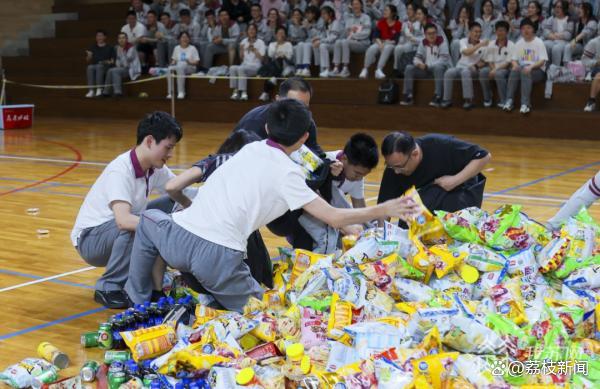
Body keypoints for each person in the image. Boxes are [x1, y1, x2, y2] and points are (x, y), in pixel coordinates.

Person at [124, 99, 418, 311]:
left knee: (150, 218)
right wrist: (385, 209)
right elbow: (333, 217)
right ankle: (215, 295)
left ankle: (139, 301)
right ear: (304, 137)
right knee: (270, 315)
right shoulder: (288, 174)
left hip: (178, 240)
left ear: (266, 127)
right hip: (216, 260)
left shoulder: (252, 147)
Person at [71, 111, 184, 309]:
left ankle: (154, 283)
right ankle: (108, 287)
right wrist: (165, 226)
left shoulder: (155, 168)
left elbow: (179, 188)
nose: (170, 154)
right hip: (91, 240)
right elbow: (123, 221)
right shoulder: (121, 169)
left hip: (114, 232)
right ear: (149, 141)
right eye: (168, 147)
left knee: (171, 203)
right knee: (141, 225)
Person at [146, 130, 274, 287]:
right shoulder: (250, 181)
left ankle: (156, 291)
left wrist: (188, 205)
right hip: (221, 274)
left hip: (196, 272)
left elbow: (173, 187)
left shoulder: (215, 164)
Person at [293, 133, 380, 253]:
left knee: (359, 225)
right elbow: (313, 201)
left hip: (328, 214)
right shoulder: (324, 163)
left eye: (363, 175)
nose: (359, 178)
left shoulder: (356, 174)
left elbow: (359, 208)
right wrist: (345, 226)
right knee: (328, 240)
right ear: (344, 158)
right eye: (357, 173)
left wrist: (372, 231)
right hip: (302, 214)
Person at [377, 131, 491, 217]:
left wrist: (454, 180)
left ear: (415, 154)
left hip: (461, 191)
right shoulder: (394, 167)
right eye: (390, 165)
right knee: (407, 219)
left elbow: (483, 156)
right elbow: (384, 207)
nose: (396, 171)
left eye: (399, 166)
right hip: (429, 195)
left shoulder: (440, 145)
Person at [233, 77, 322, 154]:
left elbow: (313, 149)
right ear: (278, 100)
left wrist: (329, 166)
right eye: (293, 104)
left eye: (304, 106)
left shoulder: (306, 119)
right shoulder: (254, 122)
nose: (299, 110)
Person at [503, 18, 548, 114]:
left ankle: (525, 104)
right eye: (523, 28)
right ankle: (509, 101)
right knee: (514, 70)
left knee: (525, 71)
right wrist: (515, 66)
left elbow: (542, 61)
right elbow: (514, 60)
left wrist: (531, 67)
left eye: (528, 28)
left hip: (537, 70)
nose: (526, 30)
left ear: (533, 29)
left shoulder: (539, 42)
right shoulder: (519, 43)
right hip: (523, 69)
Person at [400, 23, 450, 107]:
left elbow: (443, 60)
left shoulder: (442, 42)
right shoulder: (423, 43)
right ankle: (408, 96)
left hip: (440, 71)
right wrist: (419, 64)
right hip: (426, 70)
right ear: (425, 34)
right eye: (429, 34)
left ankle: (438, 96)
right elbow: (416, 58)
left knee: (438, 67)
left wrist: (427, 65)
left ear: (436, 33)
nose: (432, 35)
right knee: (409, 68)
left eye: (434, 33)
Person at [441, 22, 489, 109]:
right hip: (460, 67)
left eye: (479, 32)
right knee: (449, 72)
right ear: (470, 32)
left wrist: (476, 66)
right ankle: (446, 99)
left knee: (466, 72)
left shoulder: (484, 44)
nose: (478, 34)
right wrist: (480, 45)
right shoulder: (463, 41)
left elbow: (484, 61)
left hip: (474, 69)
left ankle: (468, 100)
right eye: (475, 31)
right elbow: (466, 52)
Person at [360, 4, 402, 79]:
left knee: (388, 47)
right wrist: (380, 44)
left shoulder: (398, 24)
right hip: (381, 42)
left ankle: (379, 69)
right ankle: (365, 68)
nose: (384, 12)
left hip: (391, 45)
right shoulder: (381, 22)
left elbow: (396, 40)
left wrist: (386, 42)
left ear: (392, 13)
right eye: (384, 10)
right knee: (372, 48)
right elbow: (375, 36)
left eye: (386, 10)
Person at [479, 20, 515, 108]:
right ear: (495, 31)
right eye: (498, 30)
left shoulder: (511, 45)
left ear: (507, 32)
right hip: (493, 67)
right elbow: (489, 60)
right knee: (483, 72)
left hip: (505, 69)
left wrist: (495, 70)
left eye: (502, 30)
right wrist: (493, 69)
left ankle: (503, 100)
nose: (500, 32)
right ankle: (487, 98)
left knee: (498, 74)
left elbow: (508, 63)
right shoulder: (491, 43)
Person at [331, 0, 371, 78]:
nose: (355, 6)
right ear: (351, 6)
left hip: (363, 43)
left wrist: (353, 35)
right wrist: (350, 31)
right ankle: (336, 68)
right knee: (338, 42)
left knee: (345, 42)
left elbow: (366, 33)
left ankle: (345, 68)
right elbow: (346, 32)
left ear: (361, 6)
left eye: (357, 4)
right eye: (353, 4)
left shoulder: (366, 17)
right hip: (351, 41)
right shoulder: (349, 18)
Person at [229, 23, 266, 101]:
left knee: (241, 69)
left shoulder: (260, 42)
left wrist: (255, 50)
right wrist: (241, 50)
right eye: (250, 29)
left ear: (256, 31)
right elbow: (241, 59)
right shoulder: (243, 41)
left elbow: (262, 59)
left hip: (256, 66)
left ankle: (244, 92)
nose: (251, 31)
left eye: (253, 29)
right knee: (232, 68)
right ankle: (235, 91)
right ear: (247, 31)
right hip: (245, 64)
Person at [259, 26, 295, 101]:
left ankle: (265, 92)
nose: (280, 34)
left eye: (282, 33)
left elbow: (289, 58)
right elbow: (270, 56)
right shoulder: (272, 44)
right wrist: (277, 45)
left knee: (280, 59)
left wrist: (283, 56)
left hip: (286, 66)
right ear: (275, 35)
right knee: (277, 61)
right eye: (279, 33)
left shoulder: (288, 44)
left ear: (285, 35)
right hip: (275, 67)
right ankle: (273, 78)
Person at [103, 32, 142, 97]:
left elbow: (126, 63)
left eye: (123, 38)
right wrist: (118, 65)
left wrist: (121, 52)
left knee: (115, 71)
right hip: (124, 68)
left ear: (126, 39)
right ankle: (106, 92)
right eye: (120, 38)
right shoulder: (118, 48)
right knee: (110, 70)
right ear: (118, 40)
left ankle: (118, 92)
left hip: (132, 70)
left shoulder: (131, 48)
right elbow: (118, 61)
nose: (121, 40)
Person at [393, 3, 424, 76]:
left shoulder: (420, 23)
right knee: (398, 48)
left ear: (415, 11)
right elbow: (402, 36)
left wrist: (413, 38)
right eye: (407, 9)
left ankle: (404, 70)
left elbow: (423, 38)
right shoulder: (405, 23)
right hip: (406, 43)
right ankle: (396, 69)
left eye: (410, 9)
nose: (408, 11)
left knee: (407, 47)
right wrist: (400, 42)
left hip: (416, 45)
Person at [167, 32, 200, 99]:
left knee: (181, 65)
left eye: (186, 37)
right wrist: (173, 63)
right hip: (179, 66)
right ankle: (171, 92)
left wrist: (189, 62)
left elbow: (197, 62)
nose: (184, 39)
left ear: (189, 39)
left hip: (190, 66)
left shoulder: (193, 48)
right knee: (169, 68)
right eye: (183, 37)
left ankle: (181, 92)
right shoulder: (176, 48)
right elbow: (174, 59)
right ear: (179, 39)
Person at [542, 0, 574, 66]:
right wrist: (554, 36)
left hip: (564, 42)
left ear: (564, 9)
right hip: (553, 40)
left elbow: (568, 36)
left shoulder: (569, 19)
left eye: (560, 7)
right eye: (556, 7)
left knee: (556, 48)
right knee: (545, 44)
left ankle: (555, 69)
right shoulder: (552, 18)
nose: (557, 9)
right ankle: (545, 67)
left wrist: (555, 34)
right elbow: (545, 31)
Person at [85, 29, 114, 98]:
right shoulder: (93, 47)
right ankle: (91, 90)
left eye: (101, 36)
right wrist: (89, 56)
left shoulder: (110, 47)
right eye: (97, 36)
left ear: (105, 37)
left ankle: (99, 89)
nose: (99, 37)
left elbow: (112, 61)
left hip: (106, 66)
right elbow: (88, 60)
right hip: (95, 66)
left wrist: (103, 62)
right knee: (89, 67)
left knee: (99, 66)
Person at [295, 5, 322, 76]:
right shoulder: (306, 22)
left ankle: (306, 68)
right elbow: (301, 37)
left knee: (306, 45)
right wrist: (300, 27)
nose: (307, 15)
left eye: (309, 13)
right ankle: (299, 68)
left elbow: (319, 35)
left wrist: (309, 27)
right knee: (300, 44)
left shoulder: (320, 22)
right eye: (306, 13)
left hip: (317, 42)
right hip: (307, 41)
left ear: (314, 14)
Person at [316, 5, 342, 78]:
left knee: (322, 45)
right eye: (322, 14)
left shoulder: (336, 22)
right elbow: (323, 36)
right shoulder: (326, 24)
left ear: (330, 14)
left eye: (324, 14)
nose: (322, 16)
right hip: (331, 45)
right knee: (321, 45)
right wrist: (317, 39)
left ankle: (327, 69)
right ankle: (324, 69)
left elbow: (332, 38)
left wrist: (320, 41)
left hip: (338, 46)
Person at [582, 35, 600, 112]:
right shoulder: (594, 42)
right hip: (598, 67)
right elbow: (584, 61)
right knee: (599, 76)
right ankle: (591, 101)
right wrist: (596, 62)